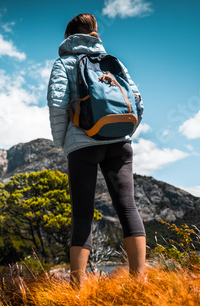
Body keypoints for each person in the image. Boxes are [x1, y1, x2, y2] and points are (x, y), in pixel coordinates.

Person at [47, 13, 146, 287]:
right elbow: (137, 100)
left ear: (68, 36)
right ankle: (140, 281)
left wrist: (63, 142)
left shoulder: (64, 63)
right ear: (95, 33)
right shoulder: (112, 62)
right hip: (119, 143)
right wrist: (125, 132)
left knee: (82, 214)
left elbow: (57, 105)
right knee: (127, 206)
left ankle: (78, 287)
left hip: (83, 145)